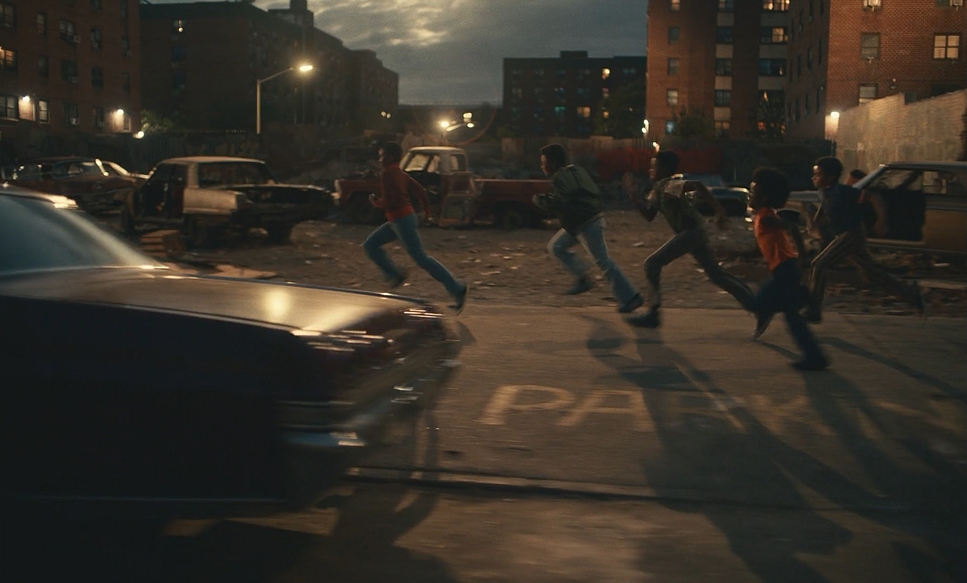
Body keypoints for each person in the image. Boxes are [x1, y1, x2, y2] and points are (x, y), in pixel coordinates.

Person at [626, 150, 755, 328]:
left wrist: (719, 211)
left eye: (654, 166)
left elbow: (698, 185)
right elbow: (649, 215)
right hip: (694, 232)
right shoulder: (659, 189)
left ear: (665, 168)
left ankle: (653, 313)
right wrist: (634, 197)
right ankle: (756, 306)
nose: (651, 170)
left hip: (691, 232)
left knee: (652, 264)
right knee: (717, 275)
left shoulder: (669, 184)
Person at [804, 156, 923, 323]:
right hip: (844, 236)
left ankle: (814, 310)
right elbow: (824, 213)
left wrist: (881, 221)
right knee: (870, 273)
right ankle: (911, 294)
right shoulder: (825, 192)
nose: (814, 178)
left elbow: (875, 198)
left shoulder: (843, 191)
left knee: (819, 264)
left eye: (818, 175)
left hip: (851, 234)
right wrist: (814, 223)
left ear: (830, 177)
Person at [532, 143, 643, 313]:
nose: (542, 166)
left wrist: (540, 200)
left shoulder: (560, 177)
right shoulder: (576, 170)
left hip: (586, 224)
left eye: (543, 162)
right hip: (583, 222)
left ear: (552, 163)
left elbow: (562, 202)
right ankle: (583, 278)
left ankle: (631, 297)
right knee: (556, 246)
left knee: (603, 262)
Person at [362, 141, 468, 313]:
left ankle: (457, 288)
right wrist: (426, 212)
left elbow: (393, 201)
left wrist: (378, 203)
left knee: (421, 258)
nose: (380, 159)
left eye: (381, 155)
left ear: (389, 157)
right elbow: (420, 191)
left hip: (401, 220)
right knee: (370, 245)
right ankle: (395, 274)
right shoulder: (401, 174)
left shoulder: (387, 174)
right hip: (401, 220)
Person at [748, 166, 829, 371]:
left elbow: (792, 228)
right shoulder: (761, 215)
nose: (750, 193)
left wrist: (802, 257)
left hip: (786, 269)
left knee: (758, 303)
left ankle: (799, 298)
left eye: (753, 191)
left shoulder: (767, 216)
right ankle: (814, 355)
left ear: (764, 197)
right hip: (784, 269)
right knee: (791, 315)